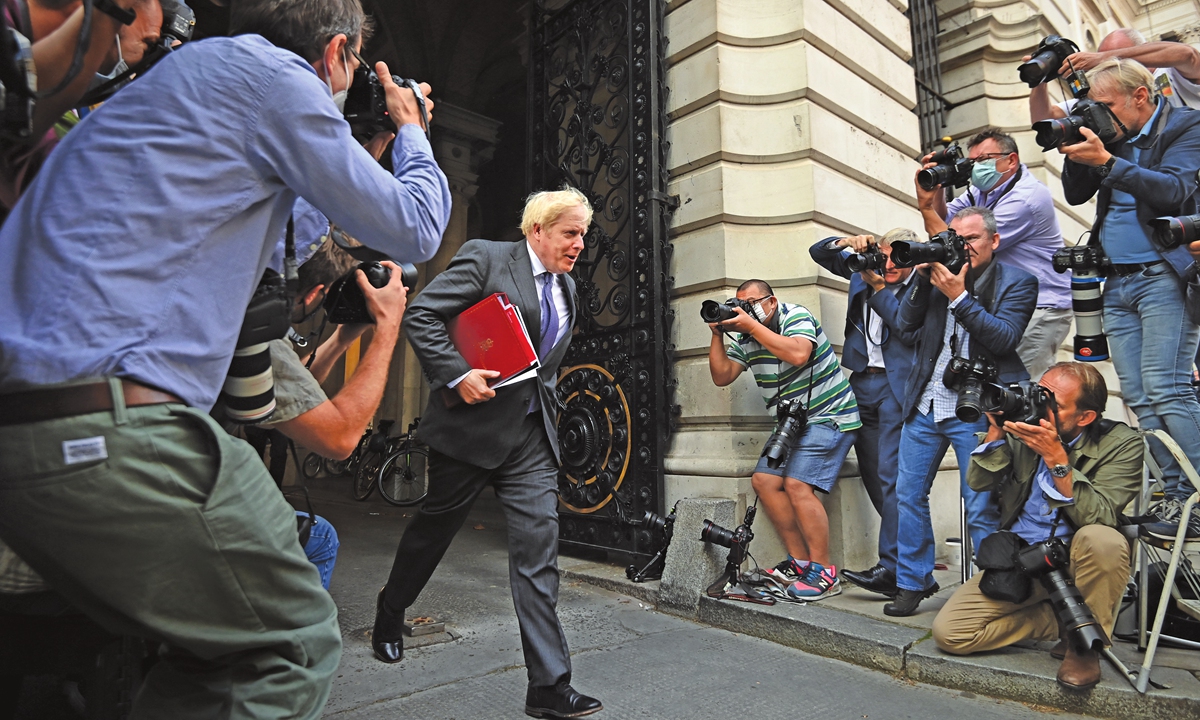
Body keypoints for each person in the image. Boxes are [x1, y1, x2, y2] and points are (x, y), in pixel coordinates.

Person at [0, 0, 452, 716]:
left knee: (212, 647)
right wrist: (413, 133)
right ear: (336, 54)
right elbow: (418, 227)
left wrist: (354, 139)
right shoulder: (274, 79)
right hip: (109, 426)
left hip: (33, 426)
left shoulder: (190, 80)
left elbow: (305, 242)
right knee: (291, 643)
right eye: (355, 65)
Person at [375, 188, 603, 719]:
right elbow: (424, 316)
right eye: (570, 233)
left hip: (531, 440)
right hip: (471, 430)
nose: (579, 245)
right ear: (537, 231)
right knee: (433, 531)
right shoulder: (486, 256)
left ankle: (548, 685)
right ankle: (391, 609)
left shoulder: (568, 288)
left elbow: (543, 366)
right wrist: (457, 373)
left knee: (536, 553)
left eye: (584, 235)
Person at [932, 362, 1143, 692]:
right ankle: (1057, 619)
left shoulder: (1121, 442)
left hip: (1079, 561)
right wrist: (997, 432)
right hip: (1025, 558)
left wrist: (1057, 459)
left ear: (1085, 417)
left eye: (1054, 403)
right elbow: (978, 482)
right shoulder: (1025, 425)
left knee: (1104, 539)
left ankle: (1085, 645)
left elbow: (1100, 515)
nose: (1040, 405)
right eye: (1038, 393)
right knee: (951, 633)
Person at [1058, 57, 1200, 539]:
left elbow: (1175, 189)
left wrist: (1108, 162)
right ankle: (1178, 498)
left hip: (1164, 275)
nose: (1100, 114)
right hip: (1115, 283)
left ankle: (1198, 494)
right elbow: (1075, 195)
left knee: (1168, 387)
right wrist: (1074, 142)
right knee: (1139, 395)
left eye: (1104, 104)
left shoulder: (1185, 124)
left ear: (1141, 96)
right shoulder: (1111, 134)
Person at [883, 206, 1038, 617]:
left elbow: (1003, 338)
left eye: (970, 239)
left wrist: (959, 296)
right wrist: (921, 273)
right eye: (956, 238)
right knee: (908, 496)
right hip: (926, 402)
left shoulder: (1019, 282)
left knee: (981, 503)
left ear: (994, 241)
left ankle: (983, 592)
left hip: (978, 409)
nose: (962, 247)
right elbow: (904, 324)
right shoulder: (935, 275)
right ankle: (912, 581)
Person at [707, 279, 861, 600]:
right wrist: (717, 335)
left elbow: (799, 354)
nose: (744, 310)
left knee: (796, 484)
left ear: (771, 302)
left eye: (751, 303)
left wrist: (750, 324)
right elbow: (721, 377)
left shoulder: (796, 316)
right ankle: (800, 562)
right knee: (764, 481)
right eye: (739, 304)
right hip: (791, 422)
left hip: (829, 415)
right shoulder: (746, 337)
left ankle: (824, 572)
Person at [809, 229, 918, 597]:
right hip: (860, 380)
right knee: (872, 474)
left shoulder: (921, 286)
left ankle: (893, 567)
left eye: (896, 259)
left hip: (895, 384)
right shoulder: (864, 267)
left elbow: (905, 328)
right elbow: (818, 252)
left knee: (890, 474)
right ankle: (908, 551)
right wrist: (846, 242)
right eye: (883, 256)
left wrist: (879, 289)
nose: (888, 265)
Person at [918, 129, 1071, 380]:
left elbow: (954, 245)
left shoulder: (1027, 198)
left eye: (984, 160)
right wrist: (937, 186)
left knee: (1018, 385)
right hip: (1001, 301)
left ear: (1011, 160)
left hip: (1041, 305)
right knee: (991, 387)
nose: (976, 167)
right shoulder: (980, 193)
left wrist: (924, 206)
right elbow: (945, 221)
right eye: (972, 161)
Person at [1030, 28, 1200, 124]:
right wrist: (1039, 80)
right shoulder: (1105, 93)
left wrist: (1101, 58)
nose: (1110, 68)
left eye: (1118, 58)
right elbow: (1044, 118)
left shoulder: (1173, 74)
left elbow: (1187, 55)